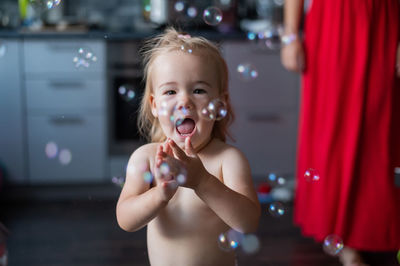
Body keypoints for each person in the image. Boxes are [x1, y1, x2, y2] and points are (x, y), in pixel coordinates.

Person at [116, 28, 261, 266]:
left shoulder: (228, 159)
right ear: (154, 104)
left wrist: (202, 181)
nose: (184, 101)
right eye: (170, 91)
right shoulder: (147, 159)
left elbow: (248, 222)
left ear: (220, 103)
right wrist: (160, 194)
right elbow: (126, 219)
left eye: (199, 90)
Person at [281, 0, 400, 265]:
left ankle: (376, 229)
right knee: (332, 128)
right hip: (334, 22)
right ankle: (341, 237)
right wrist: (290, 37)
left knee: (381, 130)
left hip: (387, 22)